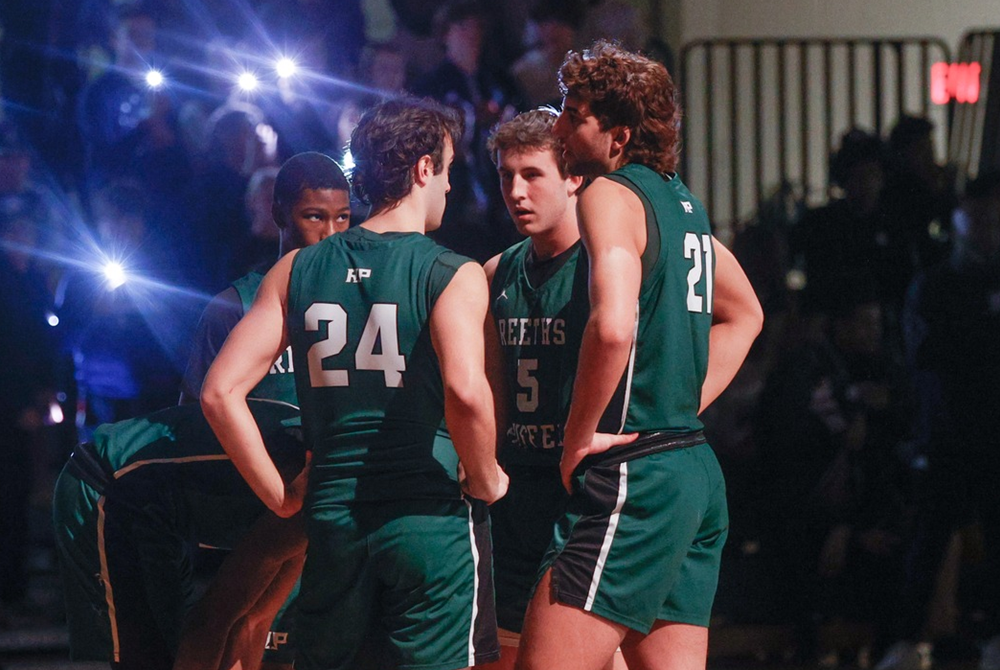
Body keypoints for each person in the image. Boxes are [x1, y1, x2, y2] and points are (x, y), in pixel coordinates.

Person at [200, 97, 508, 670]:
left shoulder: (296, 270)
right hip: (428, 521)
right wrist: (487, 476)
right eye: (445, 168)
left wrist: (280, 495)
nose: (447, 186)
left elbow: (219, 393)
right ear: (422, 170)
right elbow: (467, 393)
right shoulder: (452, 271)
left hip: (335, 520)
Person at [515, 41, 763, 670]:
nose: (560, 125)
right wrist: (682, 401)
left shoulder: (609, 195)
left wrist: (578, 437)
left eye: (575, 114)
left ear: (618, 136)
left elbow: (613, 325)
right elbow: (747, 314)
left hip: (637, 477)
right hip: (693, 470)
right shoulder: (683, 205)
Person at [52, 399, 307, 670]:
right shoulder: (311, 495)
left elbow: (253, 622)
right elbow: (212, 622)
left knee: (176, 650)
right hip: (106, 484)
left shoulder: (324, 487)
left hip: (156, 509)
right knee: (153, 659)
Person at [180, 151, 351, 405]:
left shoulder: (364, 293)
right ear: (280, 215)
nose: (330, 233)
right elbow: (192, 418)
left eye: (342, 217)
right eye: (315, 216)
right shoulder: (234, 307)